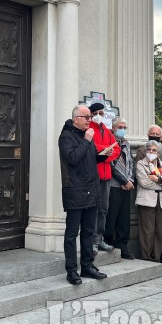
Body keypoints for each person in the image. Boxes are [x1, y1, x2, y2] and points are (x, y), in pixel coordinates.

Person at [59, 105, 109, 285]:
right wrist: (87, 141)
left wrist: (103, 155)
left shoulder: (86, 135)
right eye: (86, 117)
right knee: (72, 233)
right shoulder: (66, 136)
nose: (90, 120)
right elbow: (72, 158)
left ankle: (87, 266)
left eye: (90, 117)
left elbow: (90, 158)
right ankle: (71, 270)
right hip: (75, 190)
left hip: (91, 190)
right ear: (76, 119)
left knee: (89, 232)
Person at [88, 103, 121, 254]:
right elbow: (92, 148)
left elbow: (116, 149)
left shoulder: (107, 131)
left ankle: (99, 238)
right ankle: (91, 240)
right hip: (93, 176)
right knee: (93, 209)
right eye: (95, 112)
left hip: (106, 176)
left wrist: (105, 156)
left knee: (103, 209)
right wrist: (104, 151)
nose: (98, 115)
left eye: (101, 112)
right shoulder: (89, 130)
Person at [135, 140, 162, 262]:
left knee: (159, 231)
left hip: (161, 201)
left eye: (154, 150)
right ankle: (146, 257)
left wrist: (158, 179)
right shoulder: (140, 164)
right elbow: (144, 182)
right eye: (149, 149)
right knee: (147, 231)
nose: (151, 152)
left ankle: (156, 258)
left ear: (158, 153)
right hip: (147, 200)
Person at [105, 117, 135, 259]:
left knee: (124, 219)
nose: (122, 129)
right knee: (111, 216)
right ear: (113, 127)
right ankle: (108, 242)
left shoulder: (127, 144)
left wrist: (129, 179)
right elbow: (110, 165)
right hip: (113, 185)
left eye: (124, 127)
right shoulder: (109, 141)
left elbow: (130, 162)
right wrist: (123, 180)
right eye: (120, 127)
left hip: (126, 186)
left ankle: (123, 246)